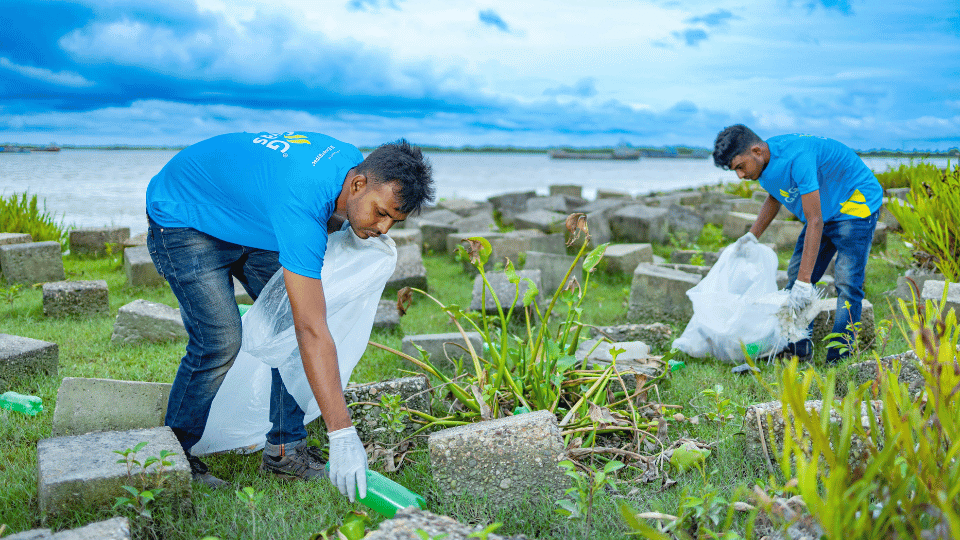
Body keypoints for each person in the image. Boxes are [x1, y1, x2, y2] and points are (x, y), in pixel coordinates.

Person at [145, 131, 434, 500]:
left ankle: (285, 449)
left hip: (252, 219)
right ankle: (175, 455)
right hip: (185, 214)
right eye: (380, 213)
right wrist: (342, 433)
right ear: (358, 183)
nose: (382, 229)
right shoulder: (302, 201)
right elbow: (311, 328)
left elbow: (322, 228)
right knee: (219, 341)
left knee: (285, 327)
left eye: (394, 221)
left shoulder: (348, 165)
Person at [712, 124, 882, 364]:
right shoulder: (763, 165)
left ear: (757, 150)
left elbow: (814, 220)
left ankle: (840, 358)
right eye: (734, 171)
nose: (740, 176)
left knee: (847, 282)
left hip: (856, 204)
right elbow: (775, 196)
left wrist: (805, 281)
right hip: (826, 209)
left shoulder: (798, 157)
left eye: (740, 167)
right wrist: (752, 235)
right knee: (796, 274)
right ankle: (799, 349)